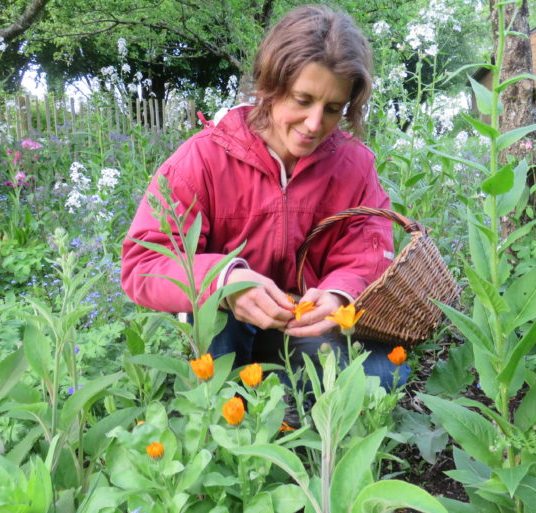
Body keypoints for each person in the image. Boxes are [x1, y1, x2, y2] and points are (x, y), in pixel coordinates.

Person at [121, 4, 410, 391]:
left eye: (333, 109)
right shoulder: (201, 159)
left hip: (303, 328)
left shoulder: (355, 166)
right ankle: (235, 416)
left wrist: (340, 295)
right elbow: (144, 263)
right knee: (224, 341)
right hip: (224, 327)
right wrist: (227, 282)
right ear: (270, 86)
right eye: (302, 100)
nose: (314, 124)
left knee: (385, 375)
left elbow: (369, 251)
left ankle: (287, 411)